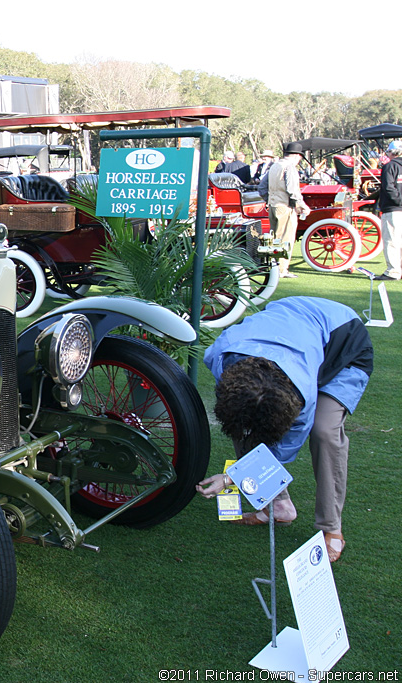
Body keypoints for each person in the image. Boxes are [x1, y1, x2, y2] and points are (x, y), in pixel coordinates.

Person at [196, 297, 373, 563]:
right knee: (242, 420)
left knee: (325, 432)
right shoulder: (221, 356)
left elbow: (283, 449)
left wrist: (232, 477)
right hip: (290, 325)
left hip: (344, 341)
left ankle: (332, 528)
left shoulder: (302, 395)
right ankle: (278, 506)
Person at [266, 142, 310, 279]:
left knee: (274, 239)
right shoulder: (289, 167)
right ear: (298, 156)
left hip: (273, 205)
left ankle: (273, 266)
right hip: (284, 206)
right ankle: (281, 269)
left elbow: (262, 186)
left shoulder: (274, 166)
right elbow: (292, 190)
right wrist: (302, 205)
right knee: (285, 239)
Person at [374, 140, 402, 281]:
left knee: (391, 240)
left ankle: (393, 271)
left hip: (393, 208)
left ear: (392, 152)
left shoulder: (389, 166)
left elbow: (389, 187)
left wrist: (398, 200)